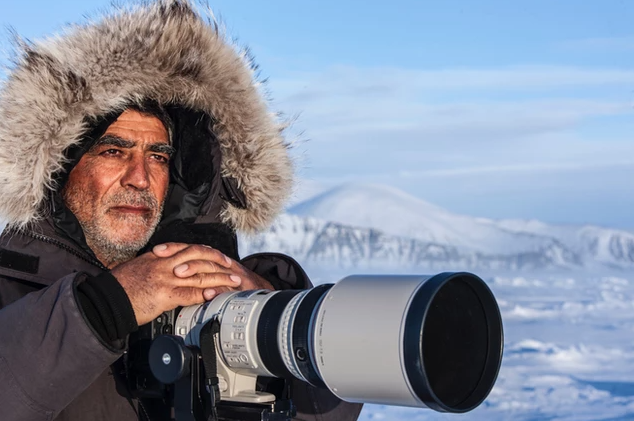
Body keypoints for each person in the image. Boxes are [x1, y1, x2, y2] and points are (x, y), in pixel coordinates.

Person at [0, 1, 363, 420]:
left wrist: (277, 319)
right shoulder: (12, 288)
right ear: (58, 167)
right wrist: (109, 307)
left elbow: (333, 411)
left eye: (158, 156)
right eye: (114, 151)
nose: (139, 178)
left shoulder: (212, 292)